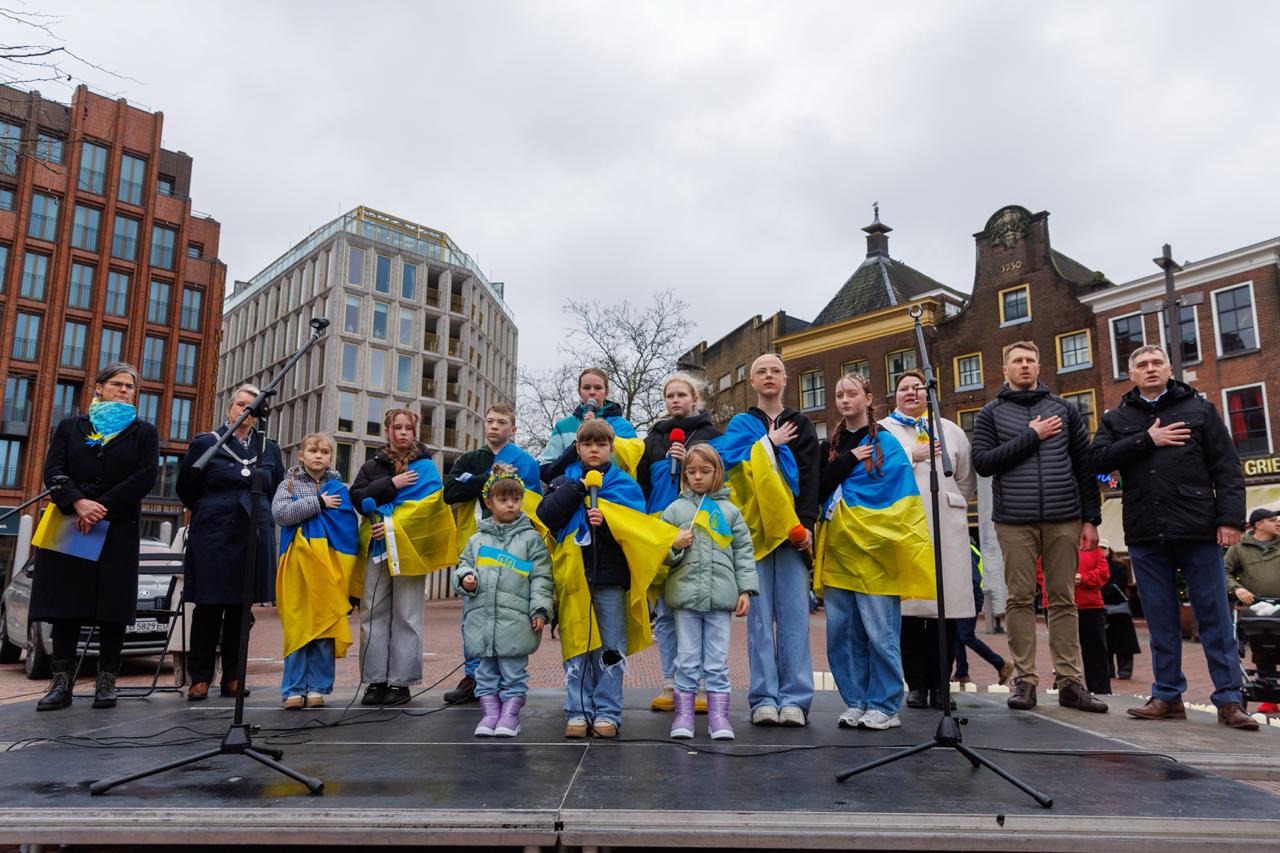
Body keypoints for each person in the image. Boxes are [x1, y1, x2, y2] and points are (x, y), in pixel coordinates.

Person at [1089, 344, 1256, 730]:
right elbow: (1096, 462)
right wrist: (1146, 440)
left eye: (1157, 363)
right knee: (1160, 619)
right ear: (1131, 375)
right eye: (1142, 365)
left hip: (1198, 528)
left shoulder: (1200, 409)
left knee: (1214, 617)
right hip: (1145, 531)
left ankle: (1230, 699)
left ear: (1168, 369)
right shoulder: (1117, 418)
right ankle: (1167, 695)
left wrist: (1230, 520)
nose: (1150, 369)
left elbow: (1227, 467)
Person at [970, 341, 1107, 714]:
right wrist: (1032, 435)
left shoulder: (1064, 409)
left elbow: (1084, 466)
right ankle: (1025, 681)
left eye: (1030, 359)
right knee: (1018, 599)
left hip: (1065, 517)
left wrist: (1091, 519)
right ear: (1005, 369)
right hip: (1015, 520)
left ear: (1039, 366)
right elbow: (983, 462)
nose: (1025, 365)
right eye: (1017, 360)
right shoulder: (990, 414)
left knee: (1063, 599)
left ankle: (1070, 682)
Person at [537, 418, 679, 738]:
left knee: (611, 647)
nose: (594, 450)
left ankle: (608, 712)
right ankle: (577, 710)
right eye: (587, 444)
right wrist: (576, 488)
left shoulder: (625, 485)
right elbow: (547, 516)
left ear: (611, 448)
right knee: (578, 646)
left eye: (601, 444)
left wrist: (609, 522)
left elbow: (636, 530)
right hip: (575, 579)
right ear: (577, 449)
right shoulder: (563, 481)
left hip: (611, 579)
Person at [29, 364, 159, 711]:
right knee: (66, 606)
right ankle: (61, 682)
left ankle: (106, 680)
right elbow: (53, 471)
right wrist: (78, 502)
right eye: (117, 384)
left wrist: (101, 507)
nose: (124, 390)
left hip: (116, 526)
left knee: (112, 607)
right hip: (71, 523)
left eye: (130, 386)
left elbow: (145, 476)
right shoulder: (71, 427)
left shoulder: (144, 432)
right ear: (99, 387)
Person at [816, 373, 933, 730]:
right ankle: (856, 701)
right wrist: (847, 461)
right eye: (839, 394)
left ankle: (884, 705)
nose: (844, 399)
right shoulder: (832, 446)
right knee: (842, 633)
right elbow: (817, 491)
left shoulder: (887, 443)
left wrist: (866, 521)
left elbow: (901, 498)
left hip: (876, 552)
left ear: (868, 399)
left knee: (880, 632)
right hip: (839, 550)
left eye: (852, 393)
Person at [712, 353, 820, 727]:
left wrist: (807, 523)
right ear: (752, 382)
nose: (769, 375)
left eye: (776, 370)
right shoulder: (742, 424)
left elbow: (811, 476)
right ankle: (763, 698)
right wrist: (768, 444)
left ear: (785, 379)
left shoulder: (801, 424)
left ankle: (795, 699)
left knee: (794, 618)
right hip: (752, 534)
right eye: (761, 371)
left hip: (790, 532)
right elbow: (729, 465)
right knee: (759, 621)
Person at [178, 384, 284, 702]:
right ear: (229, 408)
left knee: (240, 608)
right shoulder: (207, 442)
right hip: (214, 530)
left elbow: (274, 487)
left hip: (251, 531)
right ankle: (200, 678)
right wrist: (214, 509)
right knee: (209, 606)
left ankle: (234, 677)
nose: (245, 411)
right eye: (240, 404)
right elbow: (186, 486)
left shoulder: (268, 448)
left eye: (252, 407)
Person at [879, 369, 977, 710]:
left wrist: (949, 501)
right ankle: (916, 684)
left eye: (918, 388)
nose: (911, 393)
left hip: (945, 527)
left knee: (944, 609)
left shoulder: (949, 430)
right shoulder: (884, 431)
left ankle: (941, 683)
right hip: (904, 525)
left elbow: (965, 477)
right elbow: (877, 469)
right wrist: (912, 455)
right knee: (908, 610)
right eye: (904, 388)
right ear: (894, 395)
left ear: (929, 394)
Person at [350, 408, 455, 707]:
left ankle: (401, 682)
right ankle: (375, 681)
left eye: (408, 428)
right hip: (376, 547)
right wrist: (392, 485)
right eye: (397, 427)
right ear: (388, 431)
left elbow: (430, 508)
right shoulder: (372, 465)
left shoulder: (426, 467)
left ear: (415, 432)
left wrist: (390, 525)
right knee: (373, 614)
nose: (403, 432)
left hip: (409, 549)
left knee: (407, 615)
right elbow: (358, 498)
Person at [441, 403, 543, 706]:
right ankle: (474, 676)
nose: (494, 426)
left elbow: (533, 505)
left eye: (501, 422)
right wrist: (488, 476)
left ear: (513, 429)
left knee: (510, 614)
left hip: (514, 549)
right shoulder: (470, 459)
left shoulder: (525, 462)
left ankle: (508, 679)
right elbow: (450, 493)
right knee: (474, 616)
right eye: (489, 421)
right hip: (477, 546)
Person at [658, 444, 756, 740]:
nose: (698, 477)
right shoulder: (674, 511)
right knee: (686, 659)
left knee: (717, 661)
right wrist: (674, 545)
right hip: (686, 598)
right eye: (692, 471)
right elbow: (659, 552)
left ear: (717, 472)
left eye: (705, 471)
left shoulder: (731, 512)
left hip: (720, 598)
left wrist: (746, 590)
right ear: (684, 475)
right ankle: (684, 716)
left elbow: (744, 552)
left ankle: (718, 717)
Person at [640, 373, 721, 713]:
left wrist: (690, 460)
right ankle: (671, 681)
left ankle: (698, 683)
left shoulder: (711, 435)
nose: (675, 400)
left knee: (696, 609)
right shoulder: (653, 439)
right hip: (661, 529)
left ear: (695, 399)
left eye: (681, 395)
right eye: (669, 396)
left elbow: (720, 478)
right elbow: (642, 486)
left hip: (698, 527)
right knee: (665, 612)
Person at [454, 466, 553, 738]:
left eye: (516, 499)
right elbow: (463, 566)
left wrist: (540, 609)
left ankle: (510, 716)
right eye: (503, 499)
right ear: (489, 503)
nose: (511, 505)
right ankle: (490, 714)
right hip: (482, 620)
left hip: (516, 622)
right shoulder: (476, 539)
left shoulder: (531, 539)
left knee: (513, 672)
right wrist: (466, 578)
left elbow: (541, 577)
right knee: (485, 672)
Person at [272, 433, 358, 709]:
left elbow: (346, 527)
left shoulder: (339, 488)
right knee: (298, 624)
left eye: (324, 452)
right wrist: (318, 503)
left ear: (331, 457)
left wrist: (310, 510)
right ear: (301, 455)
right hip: (297, 566)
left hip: (328, 567)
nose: (318, 456)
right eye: (312, 450)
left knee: (324, 625)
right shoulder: (288, 484)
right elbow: (281, 515)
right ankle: (293, 689)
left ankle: (317, 688)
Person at [539, 367, 642, 478]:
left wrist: (598, 430)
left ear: (606, 392)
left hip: (612, 486)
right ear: (579, 391)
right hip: (571, 487)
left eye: (598, 388)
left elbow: (632, 466)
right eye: (587, 388)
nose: (592, 392)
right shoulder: (563, 426)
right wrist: (575, 448)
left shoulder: (623, 426)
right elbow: (546, 472)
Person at [1225, 508, 1280, 713]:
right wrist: (1236, 588)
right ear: (1259, 525)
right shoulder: (1239, 548)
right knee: (1263, 645)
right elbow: (1223, 571)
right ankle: (1269, 693)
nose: (1278, 522)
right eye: (1272, 520)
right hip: (1257, 607)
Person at [953, 543, 1013, 687]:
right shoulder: (965, 547)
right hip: (965, 595)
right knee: (957, 635)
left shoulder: (964, 548)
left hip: (969, 595)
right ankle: (961, 673)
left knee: (966, 636)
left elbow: (974, 578)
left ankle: (1001, 664)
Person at [1099, 540, 1141, 681]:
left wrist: (1099, 590)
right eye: (1098, 548)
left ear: (1109, 550)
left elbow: (1120, 584)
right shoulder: (1094, 566)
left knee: (1125, 642)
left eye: (1103, 548)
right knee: (1105, 642)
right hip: (1101, 608)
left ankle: (1125, 670)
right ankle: (1108, 670)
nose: (1101, 551)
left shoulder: (1119, 566)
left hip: (1119, 608)